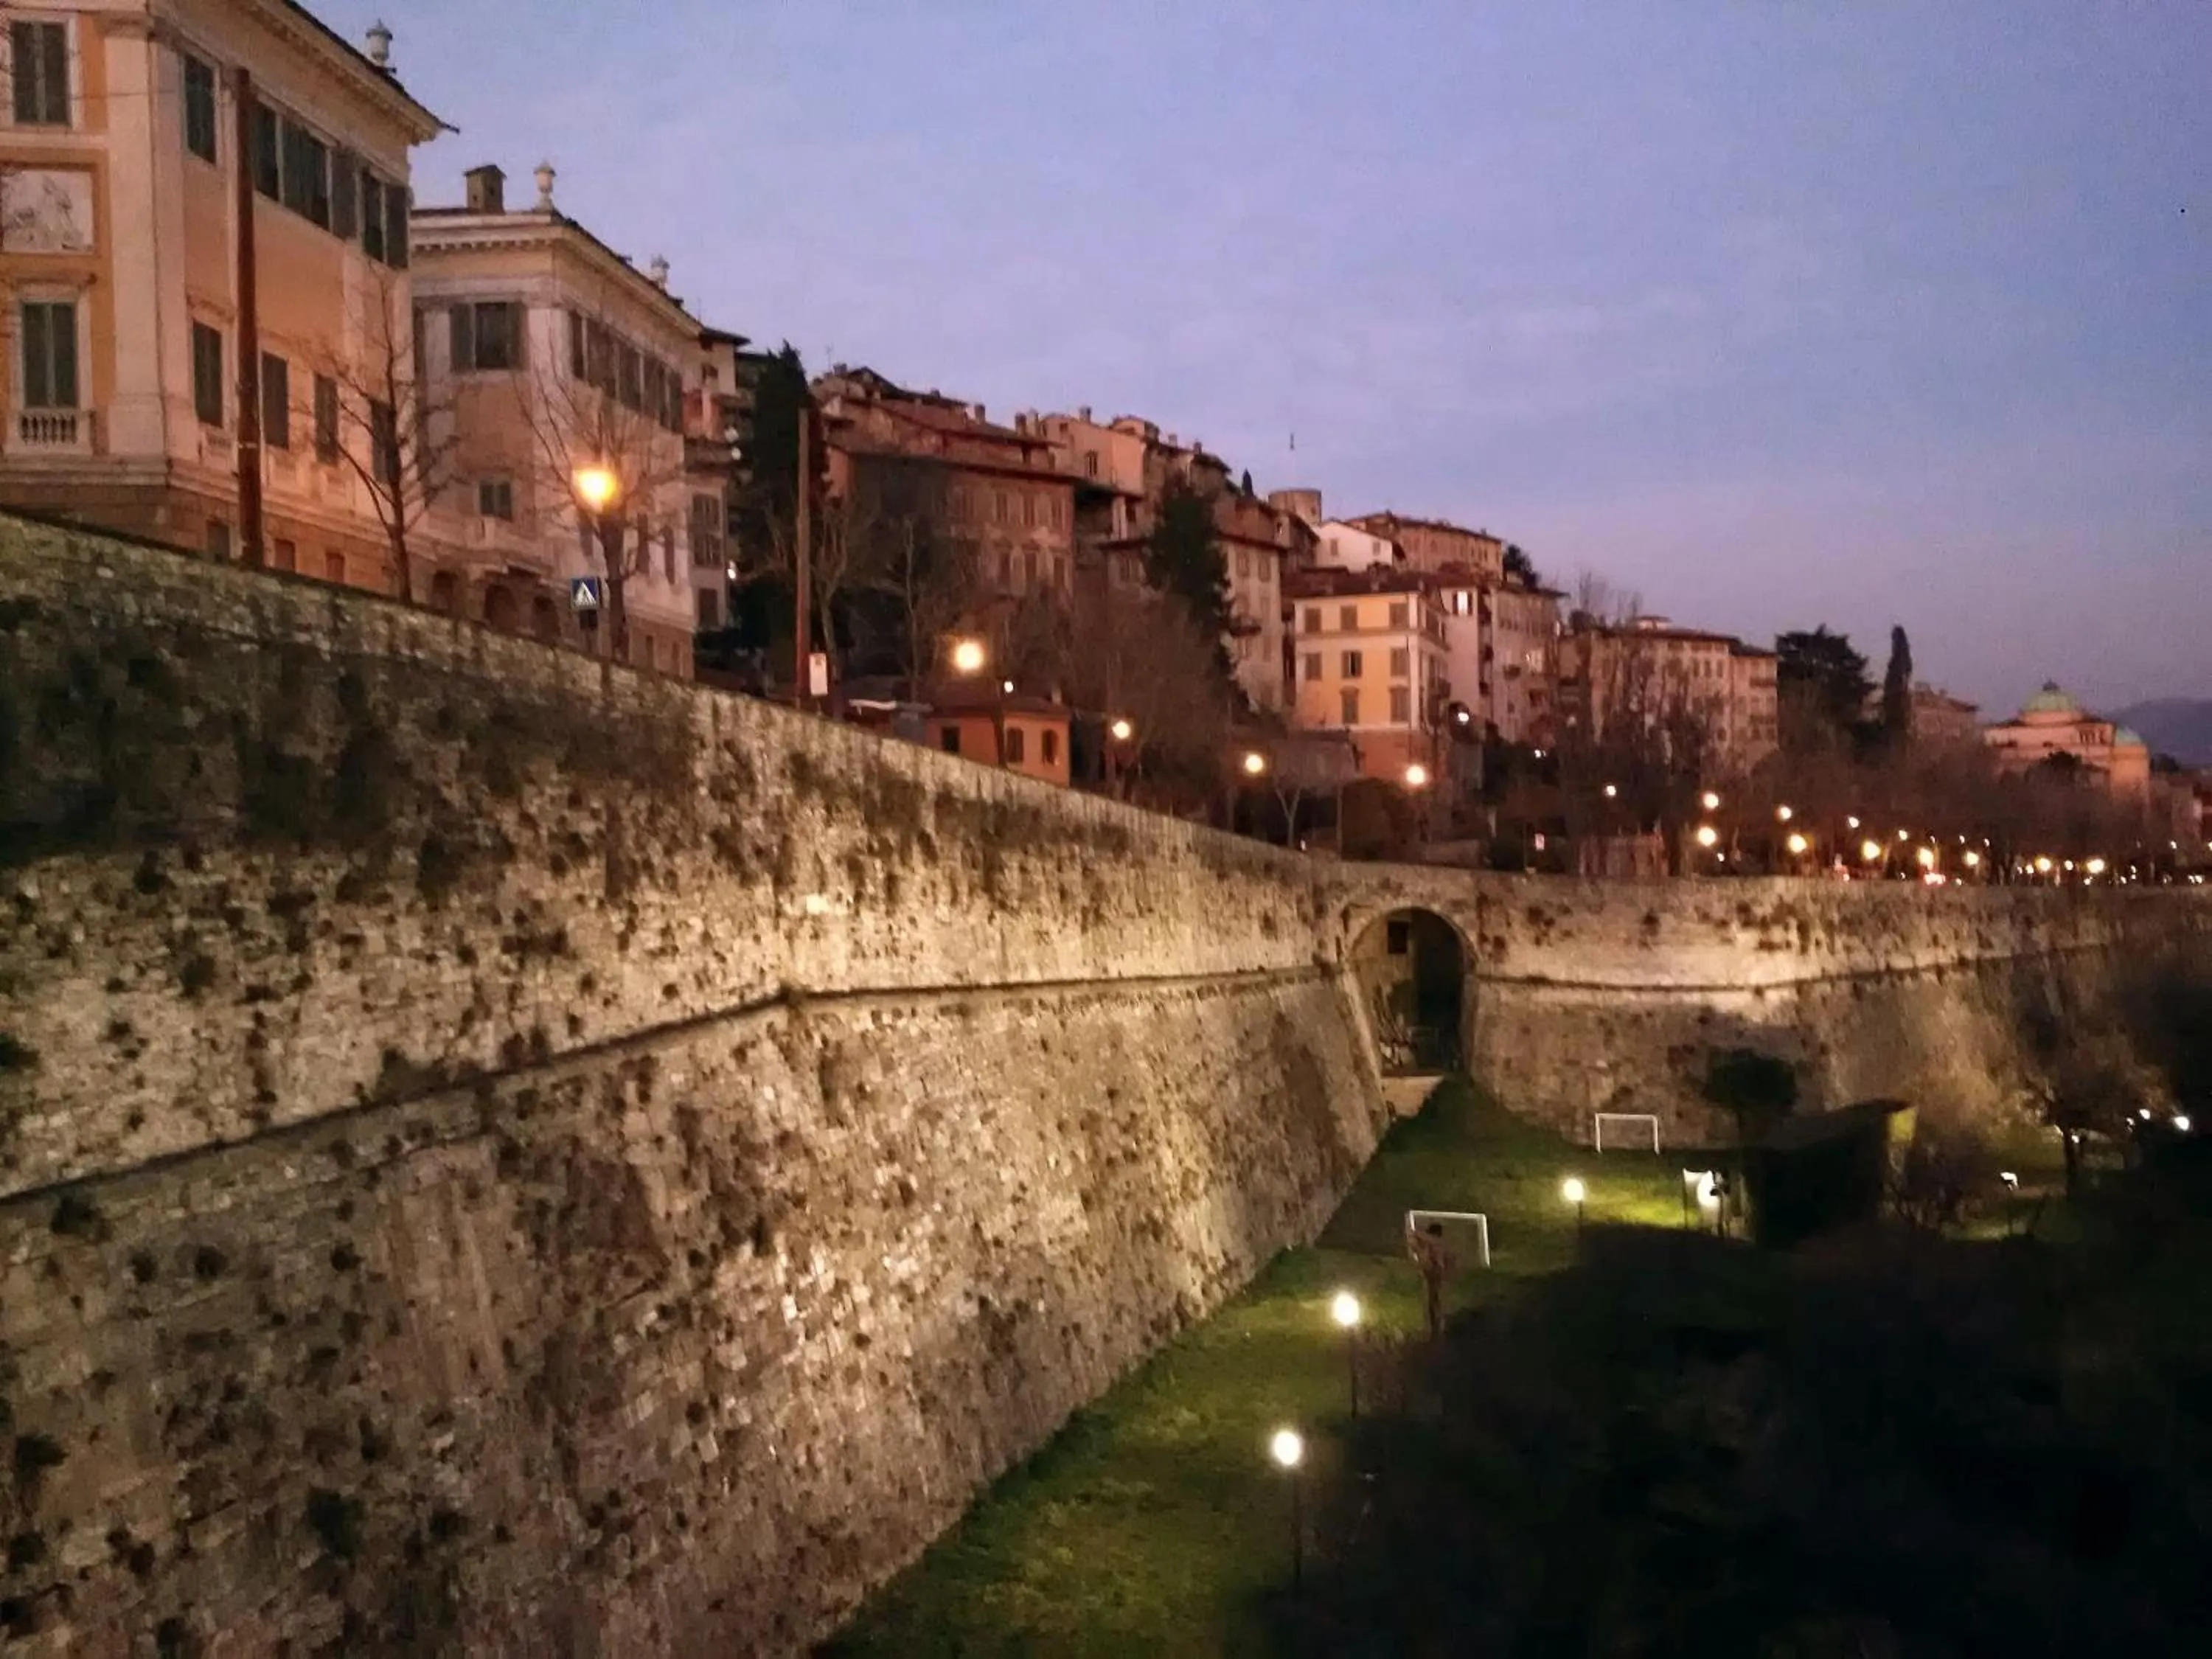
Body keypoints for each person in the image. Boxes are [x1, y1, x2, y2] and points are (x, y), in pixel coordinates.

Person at [1408, 1220, 1455, 1339]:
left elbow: (1426, 1240)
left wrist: (1414, 1233)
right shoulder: (1431, 1246)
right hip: (1432, 1274)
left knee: (1437, 1301)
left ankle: (1439, 1328)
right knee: (1432, 1302)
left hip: (1437, 1273)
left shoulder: (1437, 1244)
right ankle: (1435, 1328)